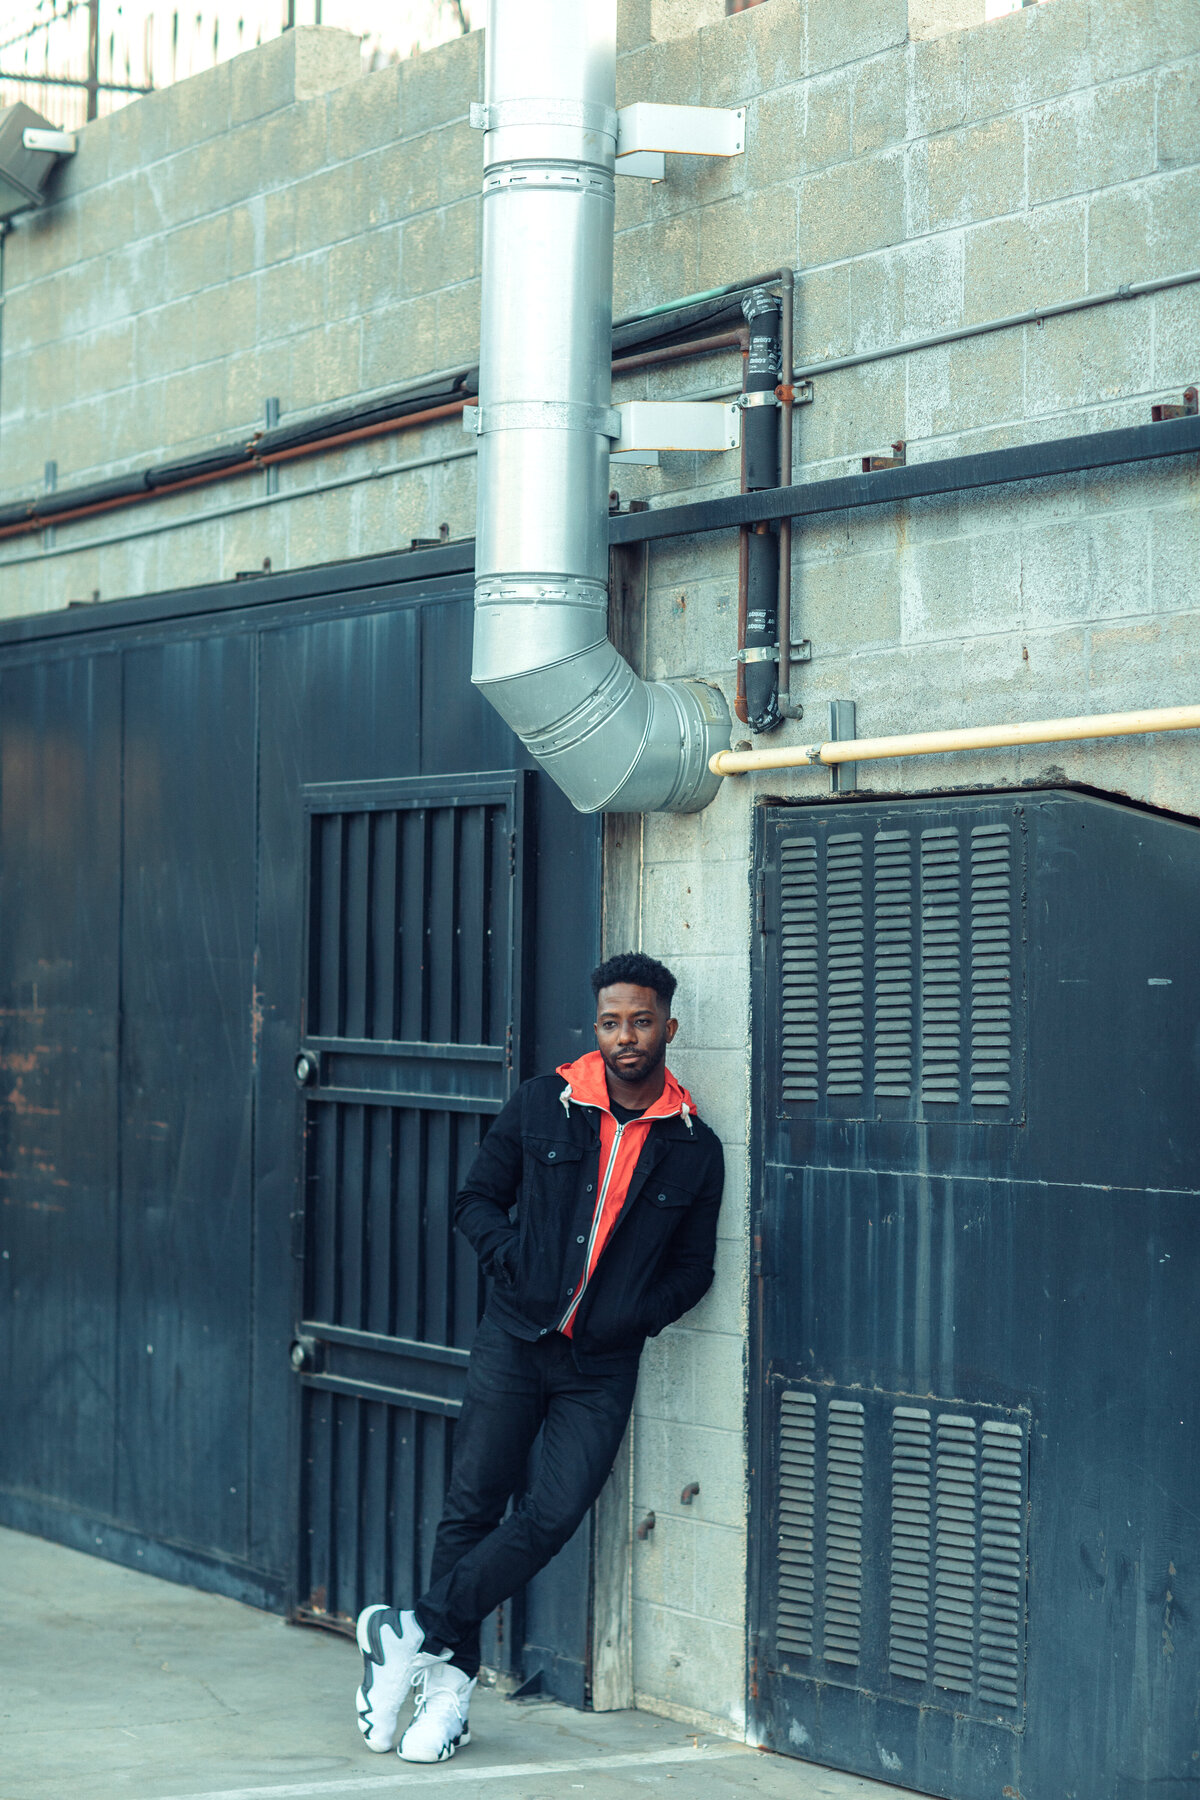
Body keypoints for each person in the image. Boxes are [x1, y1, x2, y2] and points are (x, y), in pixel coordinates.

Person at [353, 951, 725, 1763]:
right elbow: (474, 1200)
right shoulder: (541, 1106)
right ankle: (445, 1698)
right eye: (610, 1021)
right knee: (473, 1507)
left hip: (601, 1364)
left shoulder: (696, 1148)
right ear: (596, 1028)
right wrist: (513, 1263)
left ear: (669, 1025)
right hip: (514, 1341)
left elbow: (696, 1271)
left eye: (640, 1020)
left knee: (553, 1514)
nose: (625, 1036)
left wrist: (635, 1316)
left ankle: (407, 1632)